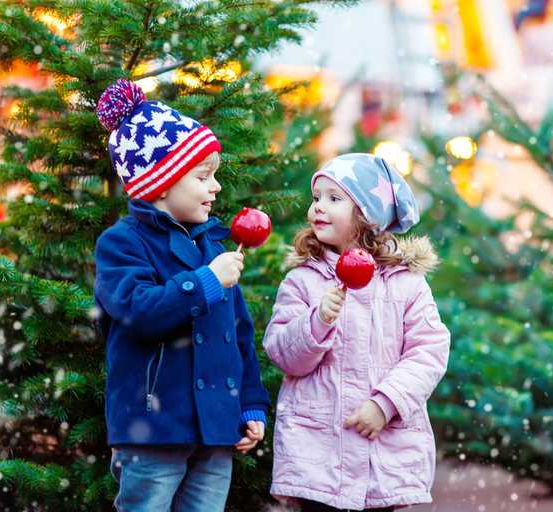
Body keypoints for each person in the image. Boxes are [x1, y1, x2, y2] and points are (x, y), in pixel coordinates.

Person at [93, 79, 270, 512]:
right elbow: (139, 312)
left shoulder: (212, 247)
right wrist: (205, 282)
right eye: (203, 176)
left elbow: (238, 335)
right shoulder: (122, 243)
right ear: (161, 182)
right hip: (153, 426)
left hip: (215, 426)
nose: (217, 188)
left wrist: (249, 404)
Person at [263, 153, 450, 511]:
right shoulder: (303, 280)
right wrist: (316, 322)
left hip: (382, 458)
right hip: (319, 457)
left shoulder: (406, 285)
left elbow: (429, 351)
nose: (318, 207)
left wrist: (386, 403)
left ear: (366, 216)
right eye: (316, 197)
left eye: (334, 199)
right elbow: (283, 353)